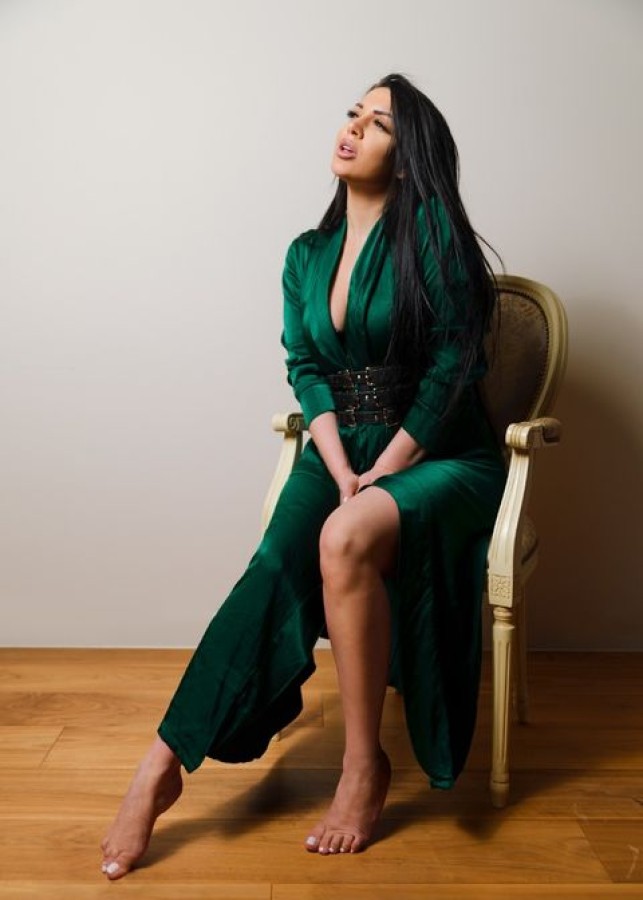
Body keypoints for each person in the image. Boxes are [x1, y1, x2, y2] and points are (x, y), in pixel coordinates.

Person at [100, 72, 506, 879]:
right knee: (271, 566)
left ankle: (362, 767)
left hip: (440, 457)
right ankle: (160, 766)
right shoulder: (305, 254)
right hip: (339, 452)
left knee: (345, 534)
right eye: (352, 113)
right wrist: (339, 465)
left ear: (408, 154)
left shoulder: (432, 235)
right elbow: (306, 367)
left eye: (378, 123)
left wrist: (383, 470)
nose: (352, 128)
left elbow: (451, 369)